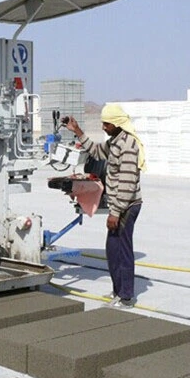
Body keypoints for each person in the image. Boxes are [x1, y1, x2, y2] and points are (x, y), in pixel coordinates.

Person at [63, 104, 145, 307]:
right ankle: (118, 291)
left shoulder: (128, 145)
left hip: (126, 206)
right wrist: (78, 131)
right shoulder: (114, 141)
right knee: (112, 249)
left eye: (106, 124)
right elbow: (97, 151)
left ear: (117, 123)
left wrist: (115, 212)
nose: (103, 127)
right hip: (120, 204)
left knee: (122, 251)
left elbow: (127, 183)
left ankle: (126, 297)